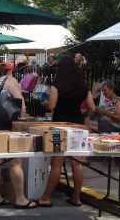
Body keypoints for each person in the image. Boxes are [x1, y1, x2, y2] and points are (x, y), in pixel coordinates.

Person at [36, 57, 96, 207]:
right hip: (78, 126)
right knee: (77, 163)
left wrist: (44, 103)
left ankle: (46, 197)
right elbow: (92, 108)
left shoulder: (57, 85)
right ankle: (76, 198)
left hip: (59, 127)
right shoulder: (83, 86)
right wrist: (84, 115)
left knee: (56, 164)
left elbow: (52, 105)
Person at [0, 62, 36, 209]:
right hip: (7, 126)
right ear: (10, 71)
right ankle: (20, 199)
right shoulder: (10, 81)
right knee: (15, 162)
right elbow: (21, 104)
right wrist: (22, 118)